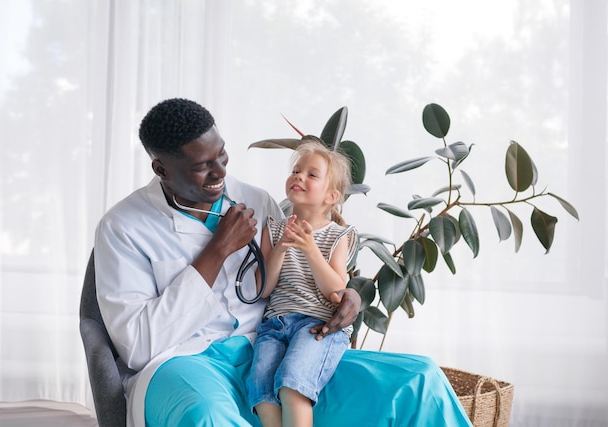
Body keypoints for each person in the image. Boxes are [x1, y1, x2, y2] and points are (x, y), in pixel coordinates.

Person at [94, 97, 473, 427]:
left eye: (221, 155)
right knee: (209, 419)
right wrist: (216, 252)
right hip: (183, 364)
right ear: (161, 169)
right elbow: (137, 346)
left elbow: (296, 277)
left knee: (418, 381)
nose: (221, 172)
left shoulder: (256, 200)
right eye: (201, 166)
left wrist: (349, 297)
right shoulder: (124, 226)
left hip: (276, 349)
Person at [247, 141, 358, 427]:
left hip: (317, 326)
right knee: (261, 392)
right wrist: (281, 249)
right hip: (275, 325)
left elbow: (336, 291)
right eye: (296, 170)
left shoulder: (338, 235)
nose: (299, 176)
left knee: (292, 385)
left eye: (312, 174)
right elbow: (263, 290)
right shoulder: (273, 229)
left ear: (331, 196)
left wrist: (310, 249)